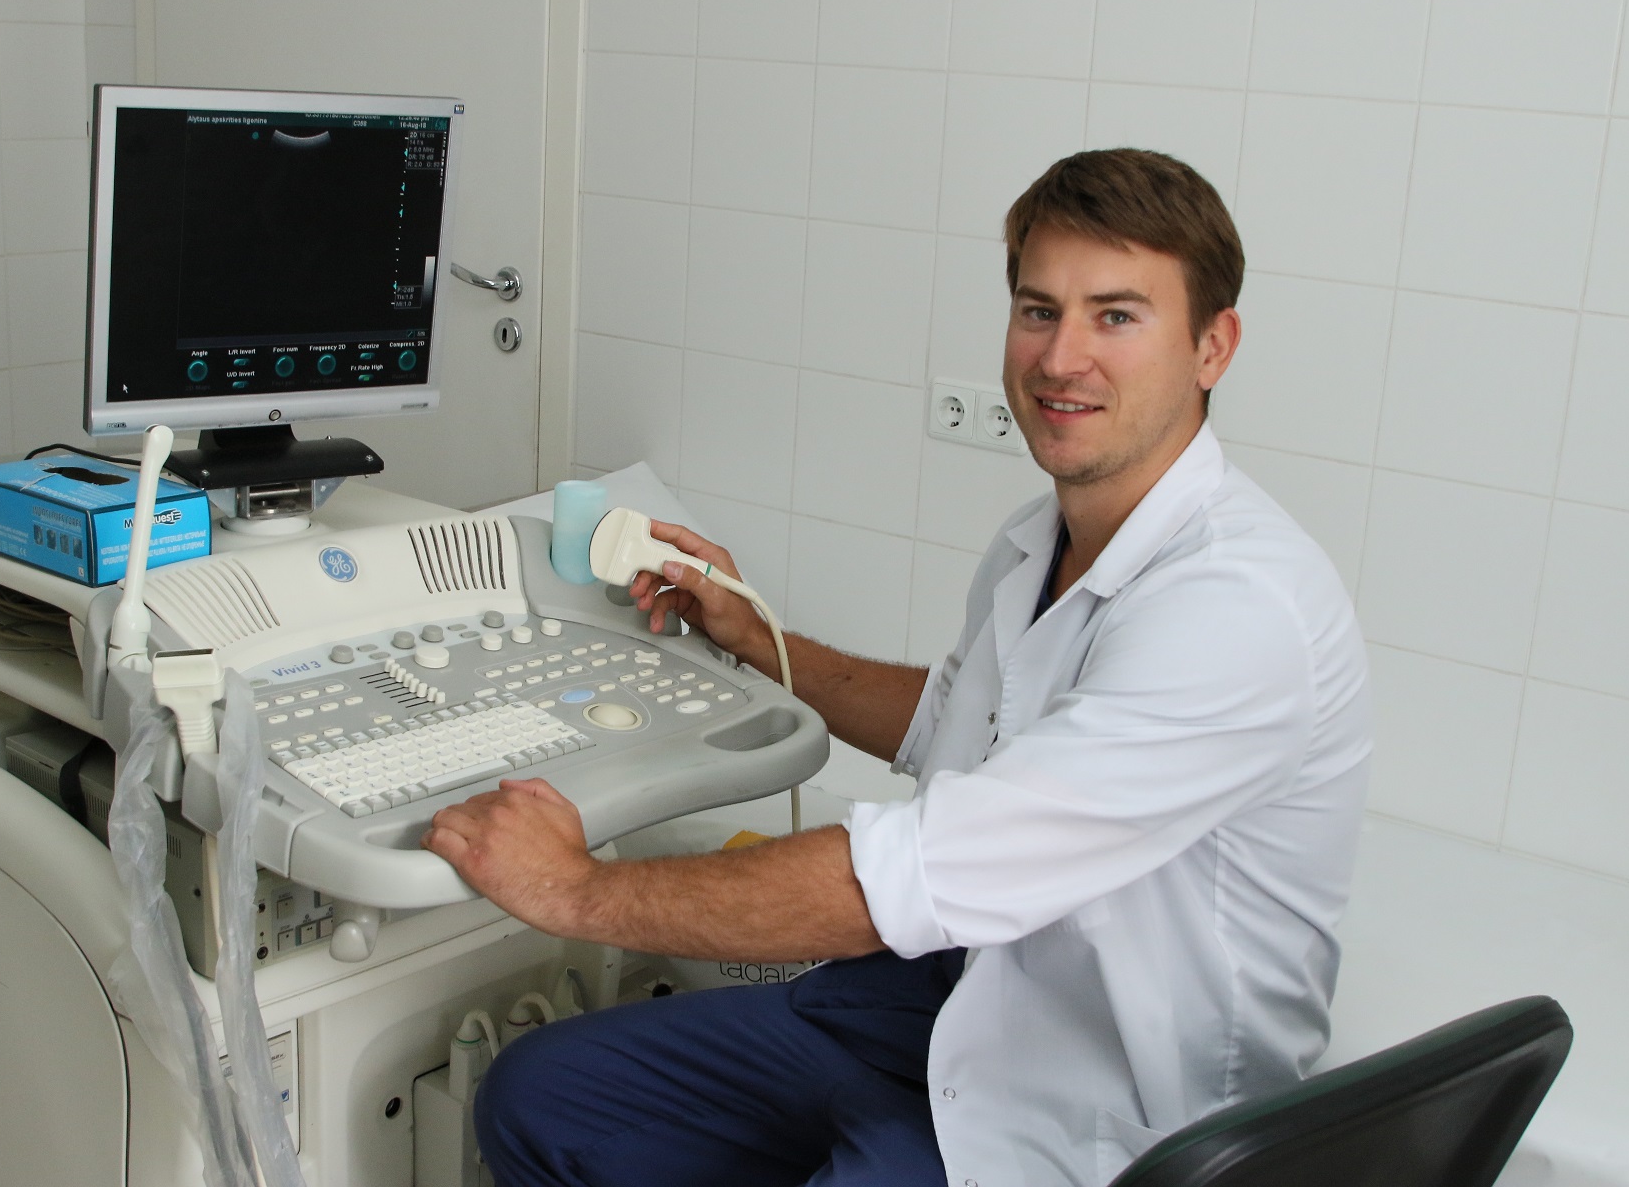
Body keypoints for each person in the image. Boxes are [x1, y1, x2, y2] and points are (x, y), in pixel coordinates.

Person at [421, 148, 1373, 1187]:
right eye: (1039, 310)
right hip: (943, 1003)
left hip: (1102, 1111)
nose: (1061, 358)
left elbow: (915, 876)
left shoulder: (1235, 608)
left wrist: (577, 890)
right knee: (542, 1099)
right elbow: (959, 721)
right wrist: (756, 637)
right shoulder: (1037, 541)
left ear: (1211, 346)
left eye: (1116, 316)